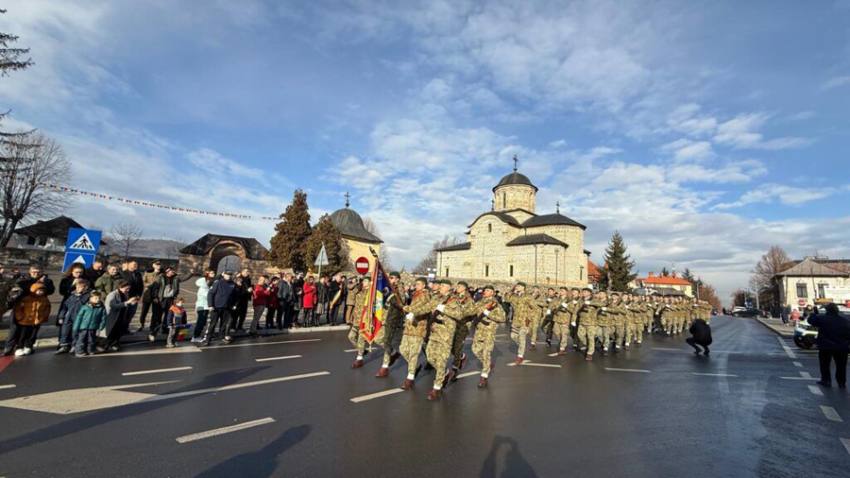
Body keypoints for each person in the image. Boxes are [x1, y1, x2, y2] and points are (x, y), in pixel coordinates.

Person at [399, 277, 432, 390]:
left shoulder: (425, 295)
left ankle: (410, 378)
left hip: (418, 328)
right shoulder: (415, 294)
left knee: (414, 353)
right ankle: (415, 366)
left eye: (418, 284)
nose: (416, 285)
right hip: (409, 327)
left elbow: (421, 308)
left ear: (424, 285)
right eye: (416, 284)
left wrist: (408, 309)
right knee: (403, 349)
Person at [471, 285, 506, 388]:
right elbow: (473, 311)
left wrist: (488, 314)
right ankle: (487, 364)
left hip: (489, 332)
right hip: (479, 331)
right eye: (485, 290)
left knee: (486, 353)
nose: (485, 292)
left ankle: (484, 376)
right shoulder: (480, 302)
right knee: (475, 350)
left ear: (492, 293)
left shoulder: (496, 304)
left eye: (488, 290)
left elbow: (502, 318)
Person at [808, 303, 850, 388]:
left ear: (827, 310)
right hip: (841, 346)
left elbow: (811, 321)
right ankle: (841, 382)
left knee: (825, 364)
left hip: (826, 346)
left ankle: (826, 380)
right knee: (841, 366)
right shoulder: (845, 321)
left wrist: (814, 314)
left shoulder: (823, 318)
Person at [8, 283, 51, 356]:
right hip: (25, 321)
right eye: (39, 290)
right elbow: (18, 308)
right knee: (22, 335)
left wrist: (44, 317)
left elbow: (47, 309)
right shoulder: (26, 299)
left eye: (42, 291)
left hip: (36, 321)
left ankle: (28, 346)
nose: (41, 292)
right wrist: (20, 317)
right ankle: (19, 348)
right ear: (34, 290)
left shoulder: (44, 299)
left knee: (32, 335)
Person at [375, 272, 404, 378]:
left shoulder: (400, 288)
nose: (390, 279)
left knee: (387, 342)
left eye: (392, 278)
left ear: (397, 279)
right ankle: (394, 351)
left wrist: (392, 297)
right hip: (385, 319)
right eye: (390, 277)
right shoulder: (389, 288)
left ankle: (385, 367)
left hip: (393, 320)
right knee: (378, 339)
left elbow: (402, 302)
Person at [55, 278, 92, 354]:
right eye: (77, 287)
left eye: (81, 287)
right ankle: (64, 346)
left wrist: (79, 297)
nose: (78, 289)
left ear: (86, 287)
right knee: (65, 331)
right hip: (69, 317)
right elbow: (64, 307)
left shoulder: (88, 296)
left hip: (80, 317)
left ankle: (74, 345)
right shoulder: (72, 296)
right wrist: (61, 317)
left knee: (75, 332)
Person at [201, 270, 237, 345]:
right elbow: (210, 294)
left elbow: (234, 296)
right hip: (216, 307)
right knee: (213, 324)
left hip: (226, 307)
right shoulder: (218, 282)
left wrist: (234, 304)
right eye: (227, 274)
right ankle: (208, 339)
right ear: (224, 275)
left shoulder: (232, 284)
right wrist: (210, 305)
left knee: (224, 324)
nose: (229, 276)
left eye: (230, 275)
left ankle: (221, 337)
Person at [504, 282, 537, 365]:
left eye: (518, 286)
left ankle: (520, 356)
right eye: (516, 286)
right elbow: (506, 299)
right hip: (515, 320)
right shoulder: (514, 296)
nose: (517, 287)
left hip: (524, 320)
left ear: (523, 287)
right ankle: (522, 346)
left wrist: (529, 318)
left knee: (522, 337)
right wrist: (511, 290)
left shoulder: (528, 296)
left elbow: (534, 308)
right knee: (513, 336)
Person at [104, 280, 139, 352]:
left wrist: (132, 303)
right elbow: (113, 306)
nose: (128, 290)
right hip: (113, 316)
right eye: (127, 288)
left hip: (121, 315)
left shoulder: (125, 294)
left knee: (118, 331)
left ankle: (115, 344)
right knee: (111, 331)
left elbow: (125, 304)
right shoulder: (112, 294)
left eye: (129, 288)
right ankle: (107, 345)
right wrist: (127, 302)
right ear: (121, 287)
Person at [150, 266, 180, 341]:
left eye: (173, 271)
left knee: (168, 315)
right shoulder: (161, 277)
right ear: (167, 271)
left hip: (170, 299)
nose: (173, 272)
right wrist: (155, 297)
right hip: (161, 299)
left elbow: (183, 278)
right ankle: (153, 332)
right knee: (158, 316)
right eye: (171, 271)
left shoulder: (175, 278)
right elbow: (155, 288)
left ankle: (165, 329)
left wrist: (191, 274)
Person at [347, 276, 372, 368]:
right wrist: (356, 285)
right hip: (356, 319)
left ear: (370, 283)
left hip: (364, 320)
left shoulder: (371, 293)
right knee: (351, 336)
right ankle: (361, 350)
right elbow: (351, 294)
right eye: (363, 281)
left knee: (361, 339)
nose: (363, 282)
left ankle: (359, 358)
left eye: (365, 281)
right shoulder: (359, 290)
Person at [72, 291, 106, 357]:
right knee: (81, 340)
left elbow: (103, 318)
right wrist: (76, 327)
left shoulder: (101, 308)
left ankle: (90, 350)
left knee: (91, 340)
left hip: (93, 327)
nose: (98, 299)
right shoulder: (85, 307)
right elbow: (79, 317)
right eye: (95, 298)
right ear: (91, 298)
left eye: (99, 298)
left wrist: (101, 327)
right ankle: (79, 351)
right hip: (83, 327)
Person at [138, 261, 163, 332]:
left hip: (156, 296)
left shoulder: (162, 274)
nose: (159, 265)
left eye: (159, 264)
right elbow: (143, 282)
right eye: (157, 264)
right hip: (148, 295)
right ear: (153, 265)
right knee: (144, 311)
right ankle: (141, 324)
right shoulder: (148, 273)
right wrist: (149, 285)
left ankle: (152, 326)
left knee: (155, 312)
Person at [192, 269, 215, 343]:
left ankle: (199, 335)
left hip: (205, 307)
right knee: (200, 322)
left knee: (203, 322)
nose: (213, 274)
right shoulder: (203, 288)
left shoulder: (207, 287)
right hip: (202, 306)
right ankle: (195, 336)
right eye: (211, 273)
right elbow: (207, 296)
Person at [121, 260, 144, 327]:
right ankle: (121, 328)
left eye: (136, 264)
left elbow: (141, 286)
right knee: (124, 313)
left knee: (131, 313)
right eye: (134, 264)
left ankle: (126, 327)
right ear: (128, 264)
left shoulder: (138, 274)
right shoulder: (123, 273)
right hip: (126, 296)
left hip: (135, 297)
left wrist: (139, 295)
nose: (135, 266)